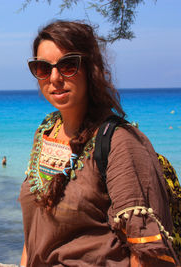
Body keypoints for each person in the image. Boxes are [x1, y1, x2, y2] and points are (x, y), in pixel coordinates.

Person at [19, 20, 179, 267]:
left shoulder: (120, 142)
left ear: (91, 68)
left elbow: (147, 253)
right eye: (42, 68)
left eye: (68, 65)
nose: (54, 78)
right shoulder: (45, 132)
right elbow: (35, 234)